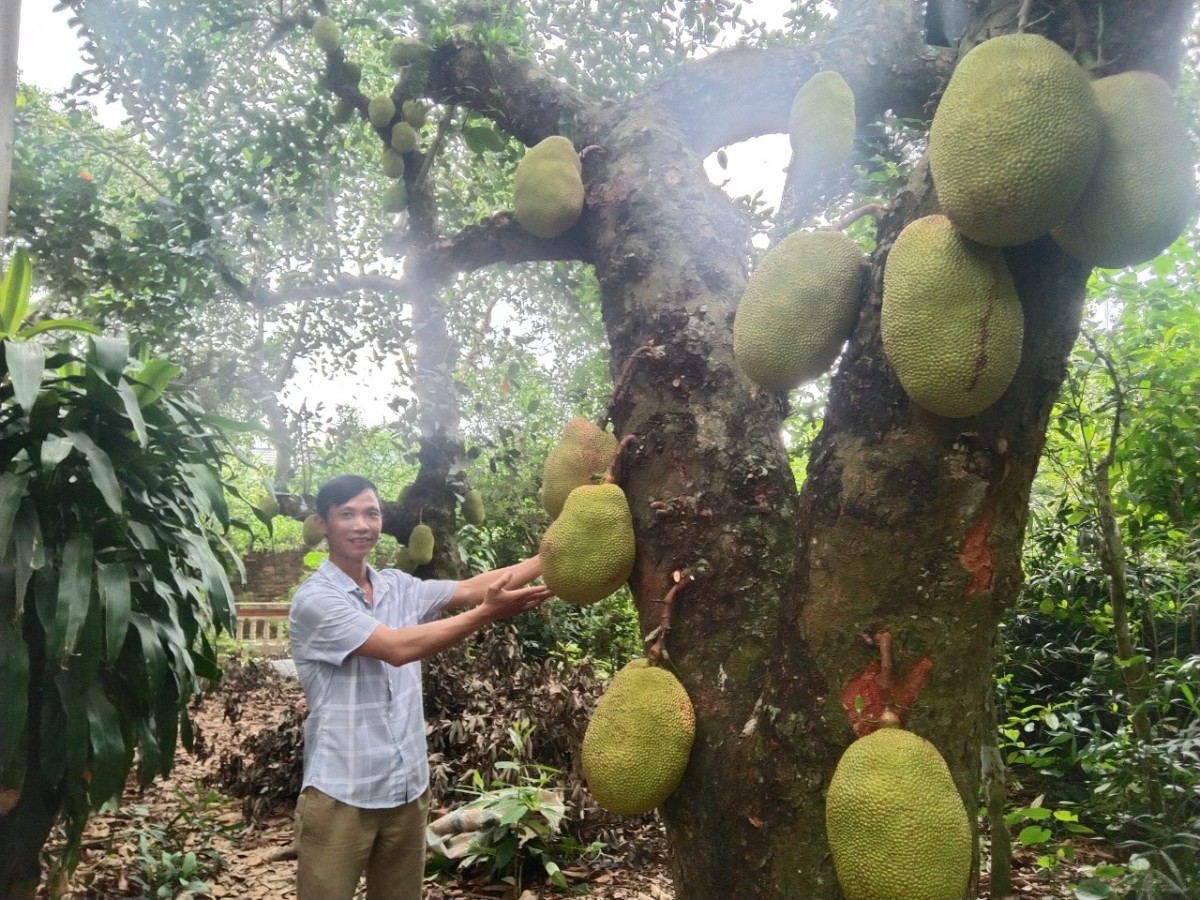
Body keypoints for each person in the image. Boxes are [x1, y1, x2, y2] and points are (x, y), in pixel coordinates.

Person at [287, 474, 550, 900]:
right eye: (347, 514)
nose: (362, 525)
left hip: (406, 787)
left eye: (371, 513)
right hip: (342, 790)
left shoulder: (396, 584)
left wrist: (551, 554)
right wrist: (486, 614)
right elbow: (395, 647)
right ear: (323, 523)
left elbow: (470, 588)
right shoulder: (316, 601)